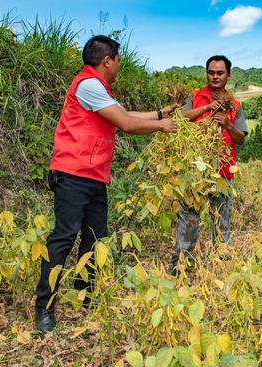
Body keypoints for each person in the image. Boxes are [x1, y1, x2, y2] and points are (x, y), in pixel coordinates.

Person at [35, 35, 178, 333]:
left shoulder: (98, 88)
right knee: (63, 238)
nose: (119, 66)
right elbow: (126, 124)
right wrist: (160, 126)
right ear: (107, 61)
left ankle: (86, 294)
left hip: (93, 178)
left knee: (94, 238)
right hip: (72, 175)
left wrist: (161, 114)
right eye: (118, 61)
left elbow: (124, 115)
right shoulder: (87, 85)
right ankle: (44, 308)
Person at [170, 55, 248, 268]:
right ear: (207, 74)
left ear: (228, 75)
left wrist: (228, 125)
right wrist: (205, 109)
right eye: (211, 72)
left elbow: (241, 139)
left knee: (221, 221)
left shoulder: (234, 104)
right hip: (195, 172)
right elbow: (179, 119)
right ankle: (180, 267)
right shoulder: (196, 97)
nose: (215, 76)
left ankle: (221, 268)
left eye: (220, 73)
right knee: (189, 220)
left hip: (222, 172)